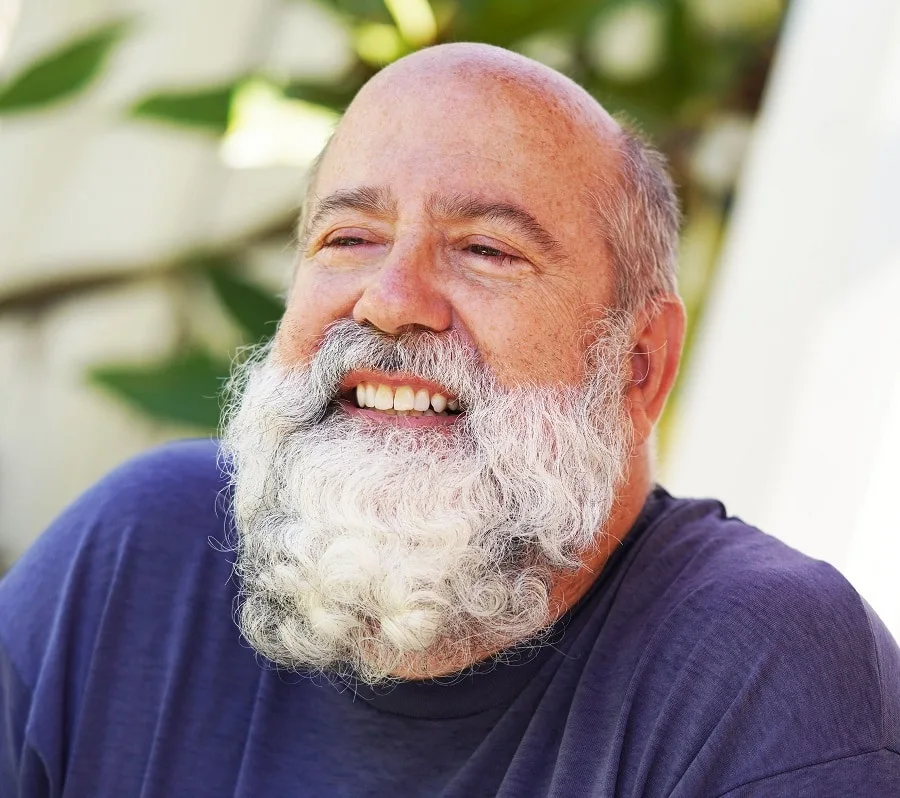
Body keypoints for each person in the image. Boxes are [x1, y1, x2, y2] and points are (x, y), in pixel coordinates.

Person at [1, 42, 898, 797]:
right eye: (349, 238)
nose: (389, 302)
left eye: (485, 250)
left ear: (638, 363)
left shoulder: (761, 672)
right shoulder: (140, 555)